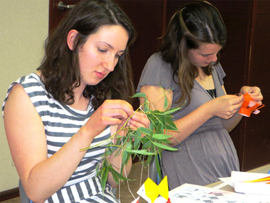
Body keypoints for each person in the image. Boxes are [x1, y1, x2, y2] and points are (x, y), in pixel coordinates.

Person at [2, 0, 149, 202]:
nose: (110, 65)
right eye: (103, 50)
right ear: (73, 40)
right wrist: (89, 130)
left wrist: (125, 136)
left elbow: (117, 178)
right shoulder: (27, 94)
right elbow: (36, 191)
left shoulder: (102, 93)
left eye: (118, 55)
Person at [137, 0, 263, 190]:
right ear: (183, 46)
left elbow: (223, 126)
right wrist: (209, 109)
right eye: (205, 55)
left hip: (223, 164)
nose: (213, 59)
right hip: (185, 168)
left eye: (216, 53)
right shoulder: (160, 66)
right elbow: (156, 138)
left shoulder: (211, 65)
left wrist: (244, 104)